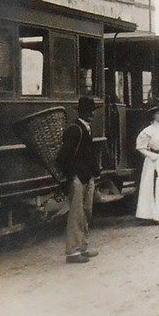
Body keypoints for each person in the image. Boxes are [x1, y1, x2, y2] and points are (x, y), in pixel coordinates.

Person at [57, 96, 101, 264]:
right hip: (77, 178)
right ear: (81, 112)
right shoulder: (75, 130)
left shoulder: (86, 128)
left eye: (92, 111)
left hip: (87, 177)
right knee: (76, 214)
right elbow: (63, 158)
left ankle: (83, 246)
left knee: (86, 212)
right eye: (87, 111)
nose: (91, 114)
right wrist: (73, 176)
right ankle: (73, 252)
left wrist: (93, 173)